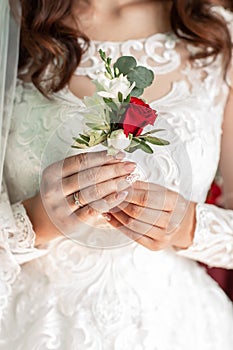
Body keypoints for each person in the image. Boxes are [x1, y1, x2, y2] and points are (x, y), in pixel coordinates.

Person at [0, 0, 233, 349]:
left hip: (174, 330)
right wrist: (31, 223)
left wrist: (188, 226)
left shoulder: (216, 36)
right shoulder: (13, 23)